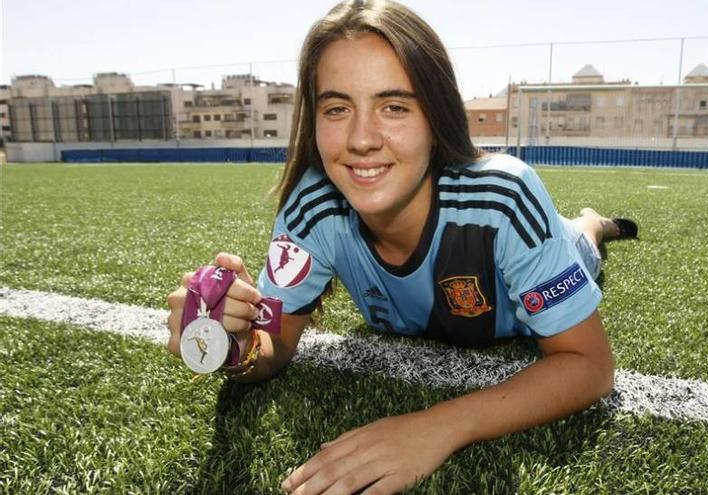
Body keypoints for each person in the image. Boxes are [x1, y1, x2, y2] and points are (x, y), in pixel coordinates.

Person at [166, 1, 637, 493]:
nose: (362, 139)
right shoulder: (313, 206)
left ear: (436, 115)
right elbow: (274, 345)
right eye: (337, 108)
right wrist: (232, 344)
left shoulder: (503, 198)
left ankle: (591, 222)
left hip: (555, 246)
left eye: (394, 107)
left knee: (583, 241)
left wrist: (437, 426)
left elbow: (590, 366)